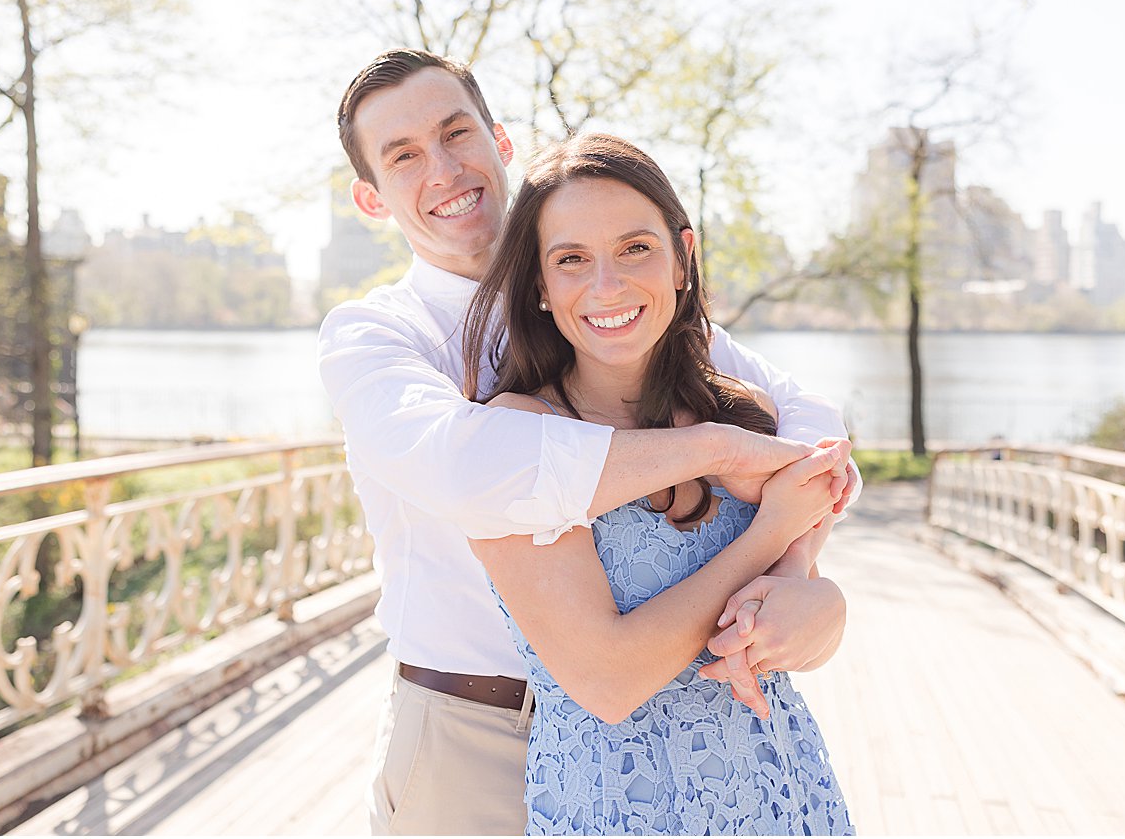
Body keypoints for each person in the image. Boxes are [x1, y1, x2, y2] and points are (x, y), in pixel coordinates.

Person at [317, 48, 860, 836]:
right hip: (475, 727)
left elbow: (811, 422)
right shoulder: (375, 338)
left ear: (499, 142)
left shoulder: (609, 306)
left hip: (694, 733)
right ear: (371, 197)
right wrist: (717, 453)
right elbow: (477, 471)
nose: (442, 168)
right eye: (403, 156)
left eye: (456, 133)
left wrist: (797, 574)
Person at [460, 132, 853, 835]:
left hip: (781, 791)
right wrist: (767, 530)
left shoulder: (741, 408)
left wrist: (822, 609)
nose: (606, 285)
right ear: (541, 288)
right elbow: (606, 680)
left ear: (682, 258)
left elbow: (802, 619)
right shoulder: (517, 437)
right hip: (623, 807)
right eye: (571, 259)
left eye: (635, 248)